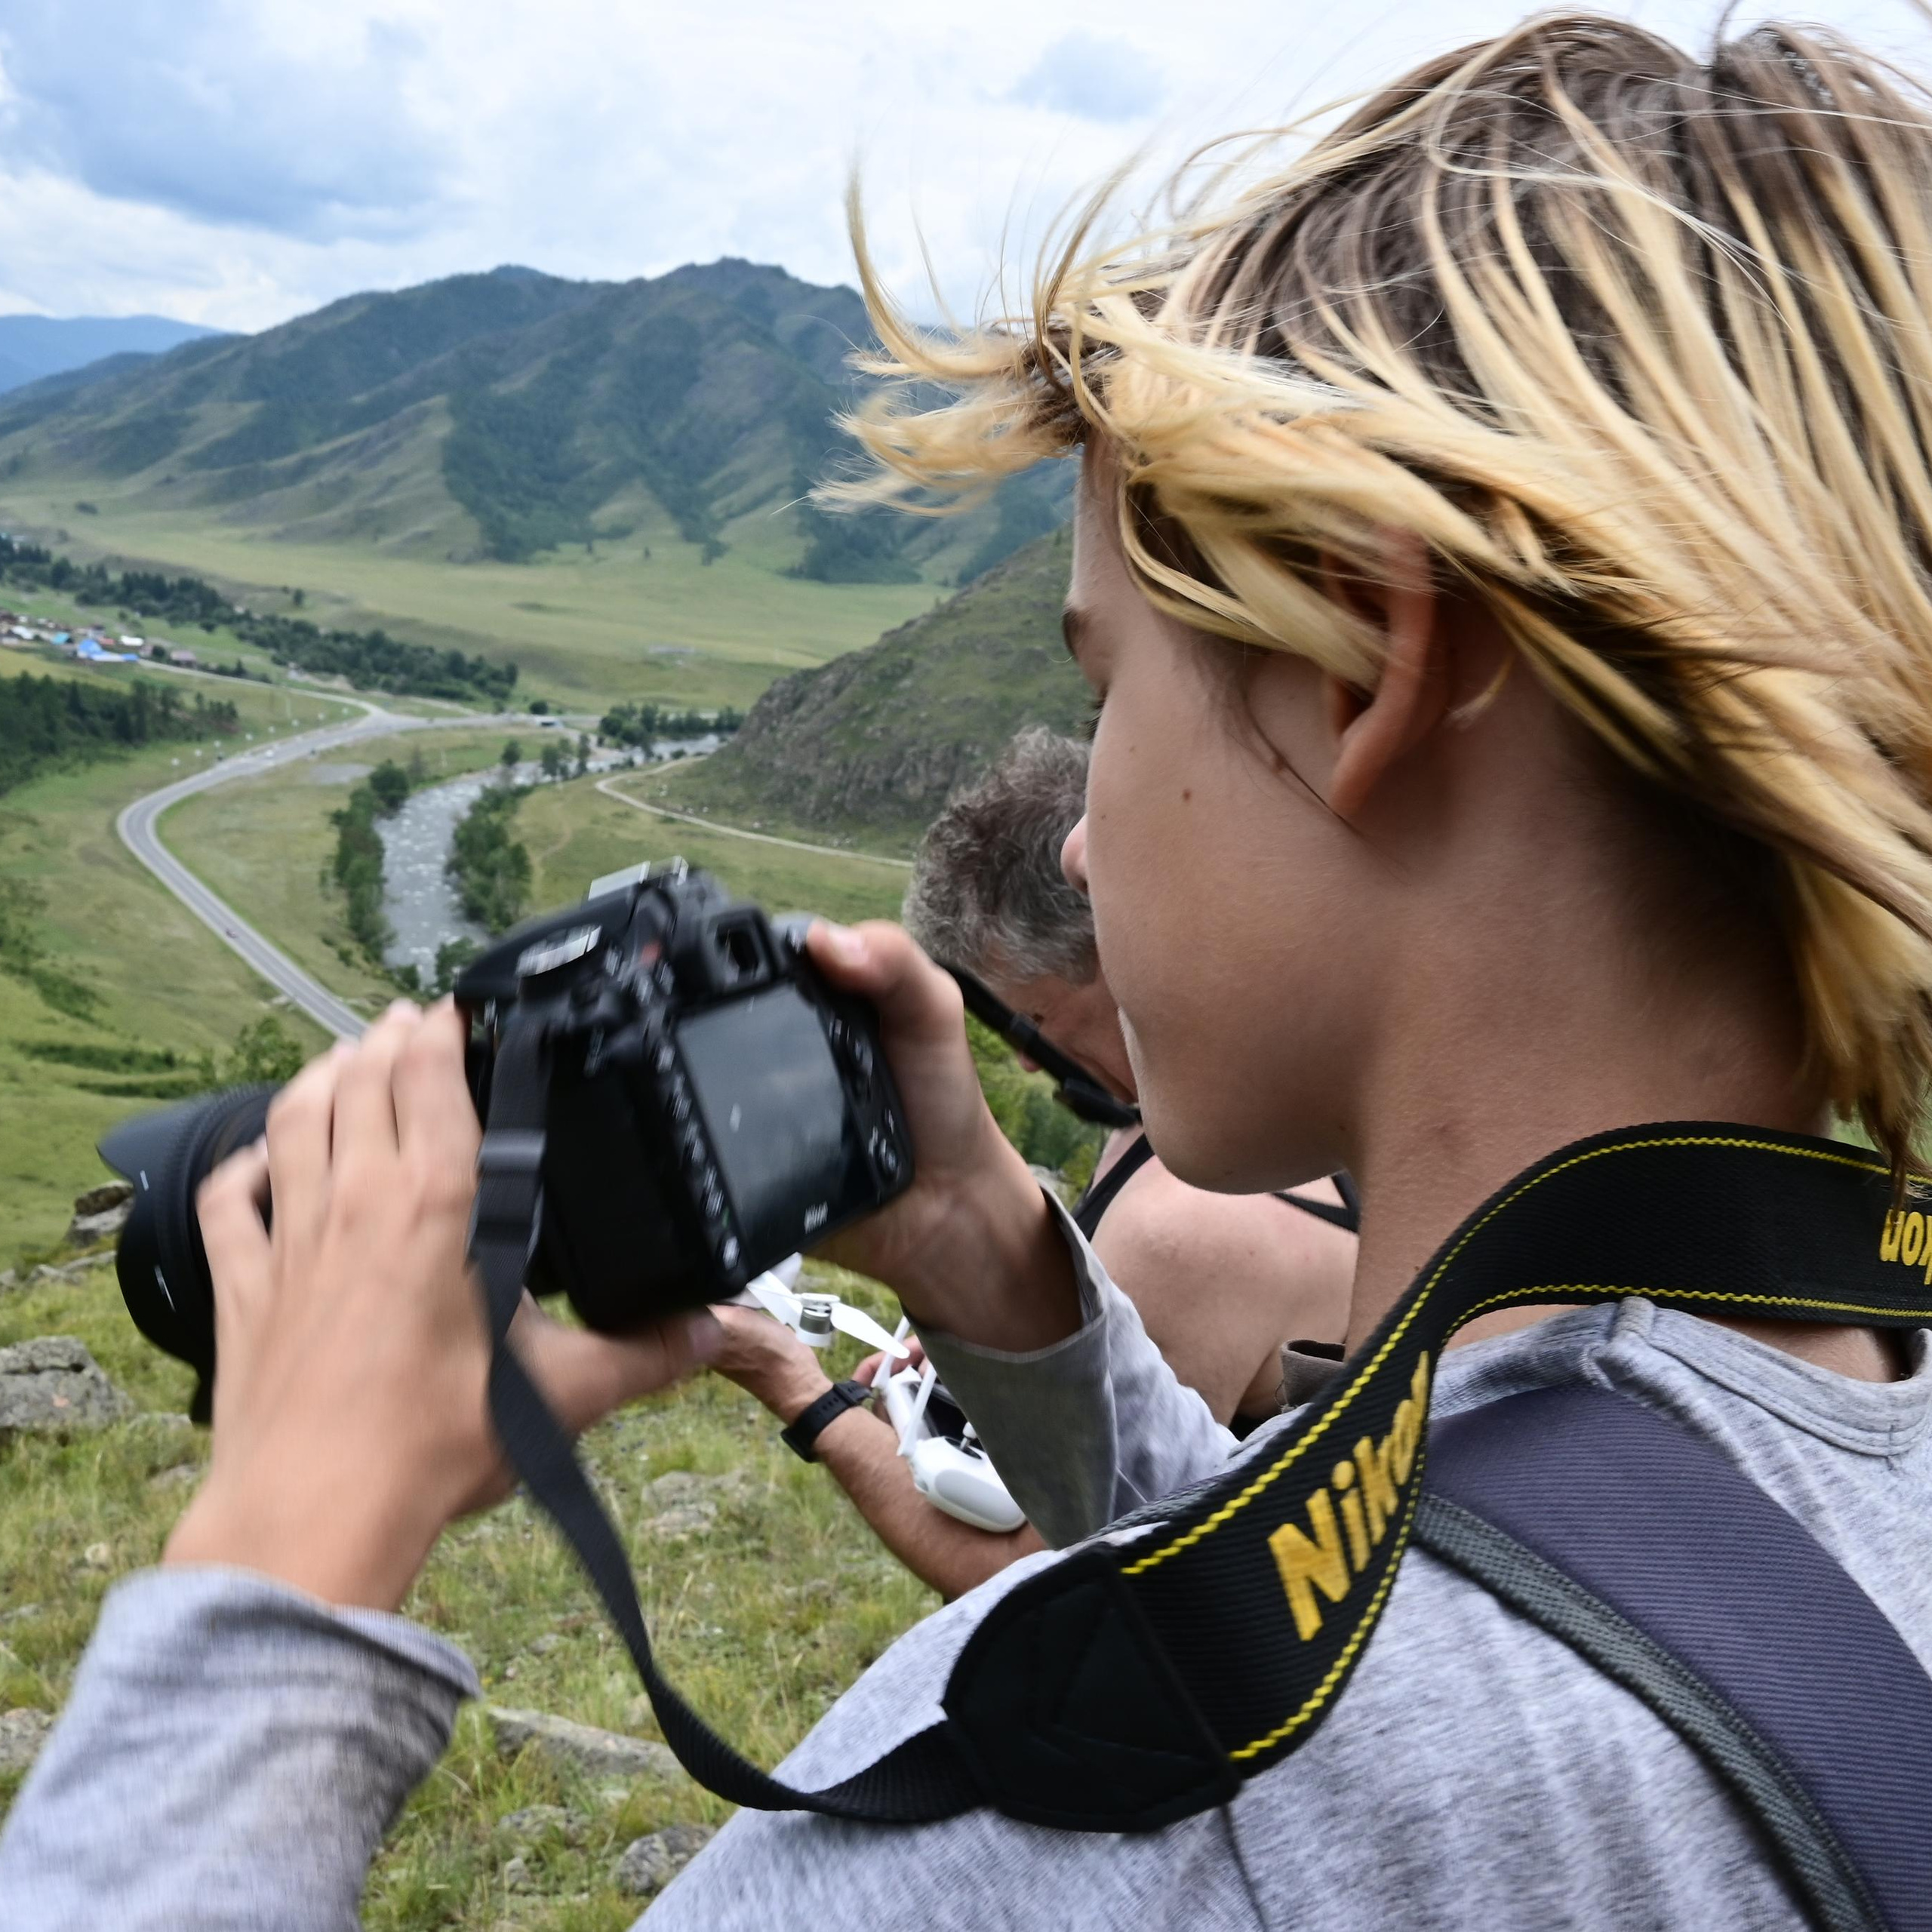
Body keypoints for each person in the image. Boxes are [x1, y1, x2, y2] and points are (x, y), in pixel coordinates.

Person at [8, 15, 1932, 1928]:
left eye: (1101, 679)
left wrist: (285, 1561)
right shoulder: (1857, 1425)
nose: (1084, 832)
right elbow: (1411, 1587)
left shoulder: (1093, 1828)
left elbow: (1279, 1715)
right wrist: (999, 1268)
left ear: (1357, 666)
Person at [709, 729, 1354, 1599]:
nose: (1023, 1063)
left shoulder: (1178, 1227)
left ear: (1106, 953)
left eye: (1034, 1023)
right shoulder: (1287, 1088)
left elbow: (1038, 1588)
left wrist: (795, 1386)